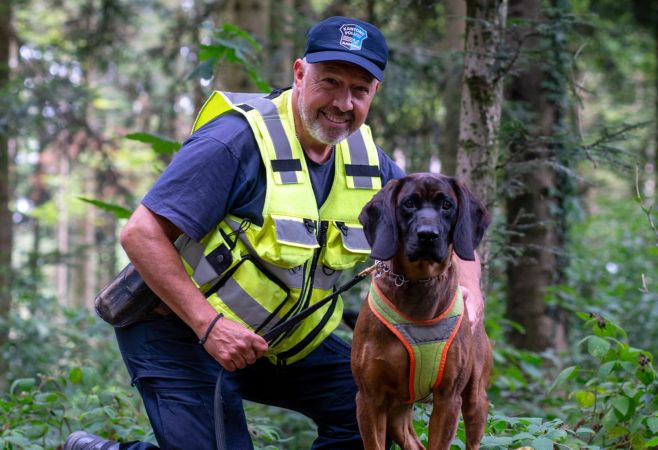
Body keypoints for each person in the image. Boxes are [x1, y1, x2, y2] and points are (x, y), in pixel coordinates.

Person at [66, 15, 484, 450]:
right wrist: (209, 326)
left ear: (374, 93)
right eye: (330, 82)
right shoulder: (235, 141)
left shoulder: (367, 161)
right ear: (300, 74)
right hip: (178, 330)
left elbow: (444, 226)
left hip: (279, 339)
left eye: (359, 90)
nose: (343, 103)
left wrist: (470, 298)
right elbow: (140, 234)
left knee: (365, 405)